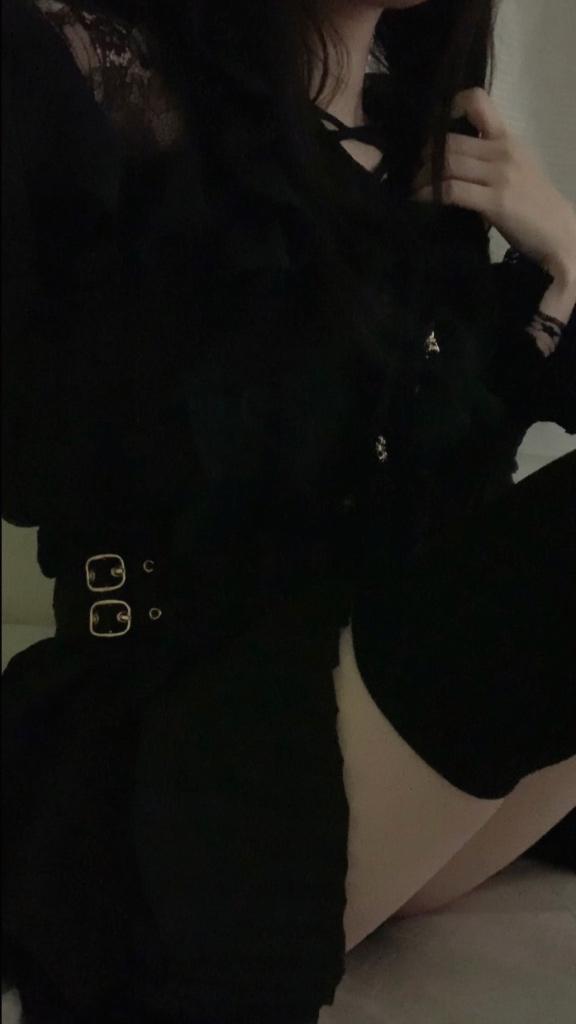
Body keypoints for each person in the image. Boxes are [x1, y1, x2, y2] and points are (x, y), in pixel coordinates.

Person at [2, 0, 575, 1021]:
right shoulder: (93, 76)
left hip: (410, 782)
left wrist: (570, 259)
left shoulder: (433, 144)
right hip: (185, 769)